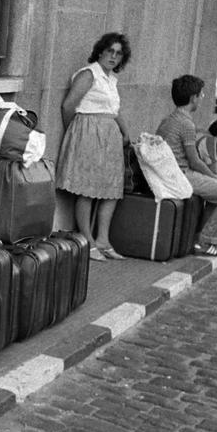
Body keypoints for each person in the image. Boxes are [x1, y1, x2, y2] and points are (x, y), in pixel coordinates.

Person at [56, 32, 133, 261]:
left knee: (111, 189)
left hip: (109, 137)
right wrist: (76, 134)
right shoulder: (89, 74)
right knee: (87, 188)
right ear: (100, 51)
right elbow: (68, 105)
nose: (113, 56)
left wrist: (125, 131)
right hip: (88, 133)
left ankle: (103, 240)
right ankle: (87, 241)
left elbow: (114, 110)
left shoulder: (111, 79)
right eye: (110, 51)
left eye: (119, 54)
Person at [155, 76, 217, 257]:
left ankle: (199, 237)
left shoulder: (168, 120)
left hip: (171, 173)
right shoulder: (186, 124)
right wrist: (213, 177)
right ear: (193, 98)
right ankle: (208, 241)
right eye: (201, 95)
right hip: (183, 175)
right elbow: (194, 161)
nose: (202, 98)